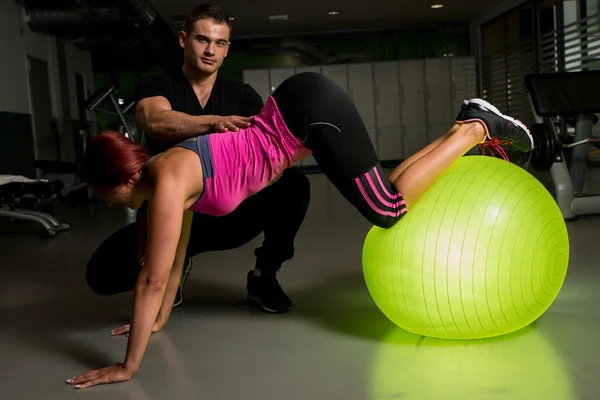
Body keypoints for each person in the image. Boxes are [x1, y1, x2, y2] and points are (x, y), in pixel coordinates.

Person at [66, 72, 533, 389]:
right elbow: (172, 260)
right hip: (299, 114)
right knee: (387, 194)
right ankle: (465, 128)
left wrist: (129, 366)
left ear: (121, 180)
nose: (104, 202)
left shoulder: (167, 180)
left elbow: (150, 279)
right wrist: (160, 320)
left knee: (388, 209)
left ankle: (474, 129)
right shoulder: (165, 177)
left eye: (102, 193)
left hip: (310, 112)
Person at [84, 4, 310, 314]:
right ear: (183, 40)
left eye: (219, 43)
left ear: (227, 49)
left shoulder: (242, 95)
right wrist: (214, 123)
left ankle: (264, 275)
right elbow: (154, 120)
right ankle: (177, 266)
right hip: (172, 211)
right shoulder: (158, 85)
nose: (210, 50)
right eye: (202, 40)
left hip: (229, 210)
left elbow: (265, 151)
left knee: (295, 184)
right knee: (100, 275)